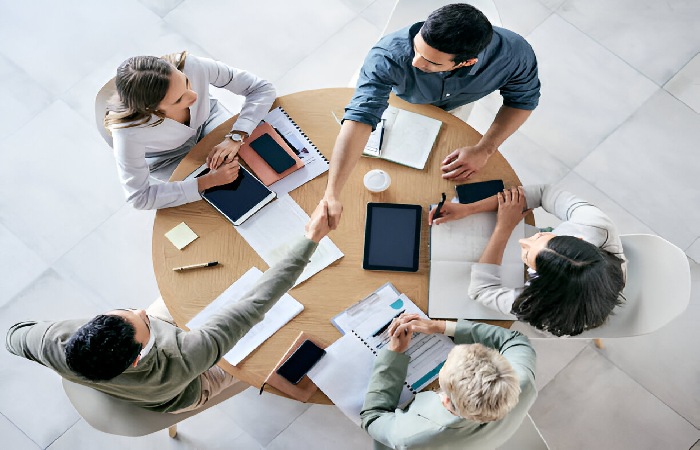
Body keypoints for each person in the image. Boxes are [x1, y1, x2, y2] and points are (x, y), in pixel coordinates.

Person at [5, 201, 331, 413]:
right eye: (142, 322)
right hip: (188, 389)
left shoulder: (51, 344)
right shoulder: (184, 359)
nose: (141, 311)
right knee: (263, 350)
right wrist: (311, 239)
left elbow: (13, 337)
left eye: (126, 311)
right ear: (136, 357)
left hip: (126, 373)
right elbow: (255, 304)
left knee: (203, 288)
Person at [322, 3, 540, 228]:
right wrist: (331, 194)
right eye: (417, 49)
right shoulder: (388, 55)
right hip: (395, 97)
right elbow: (361, 116)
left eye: (431, 62)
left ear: (467, 62)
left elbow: (522, 102)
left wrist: (484, 149)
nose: (416, 63)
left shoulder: (515, 55)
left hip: (453, 107)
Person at [429, 185, 626, 336]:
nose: (522, 241)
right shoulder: (594, 224)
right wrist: (469, 209)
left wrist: (503, 228)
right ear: (578, 240)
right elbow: (544, 192)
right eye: (541, 237)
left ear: (542, 284)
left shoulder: (545, 307)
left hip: (568, 312)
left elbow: (481, 290)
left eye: (527, 255)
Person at [105, 51, 276, 210]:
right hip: (168, 158)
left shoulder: (191, 65)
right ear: (151, 110)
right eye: (179, 99)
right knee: (226, 201)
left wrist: (237, 135)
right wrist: (206, 182)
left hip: (208, 120)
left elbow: (261, 88)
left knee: (259, 160)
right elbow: (139, 198)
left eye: (186, 81)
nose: (194, 95)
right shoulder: (128, 133)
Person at [361, 313, 536, 449]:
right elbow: (516, 340)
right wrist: (440, 326)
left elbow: (372, 417)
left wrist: (394, 355)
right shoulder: (524, 383)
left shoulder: (411, 437)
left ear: (444, 399)